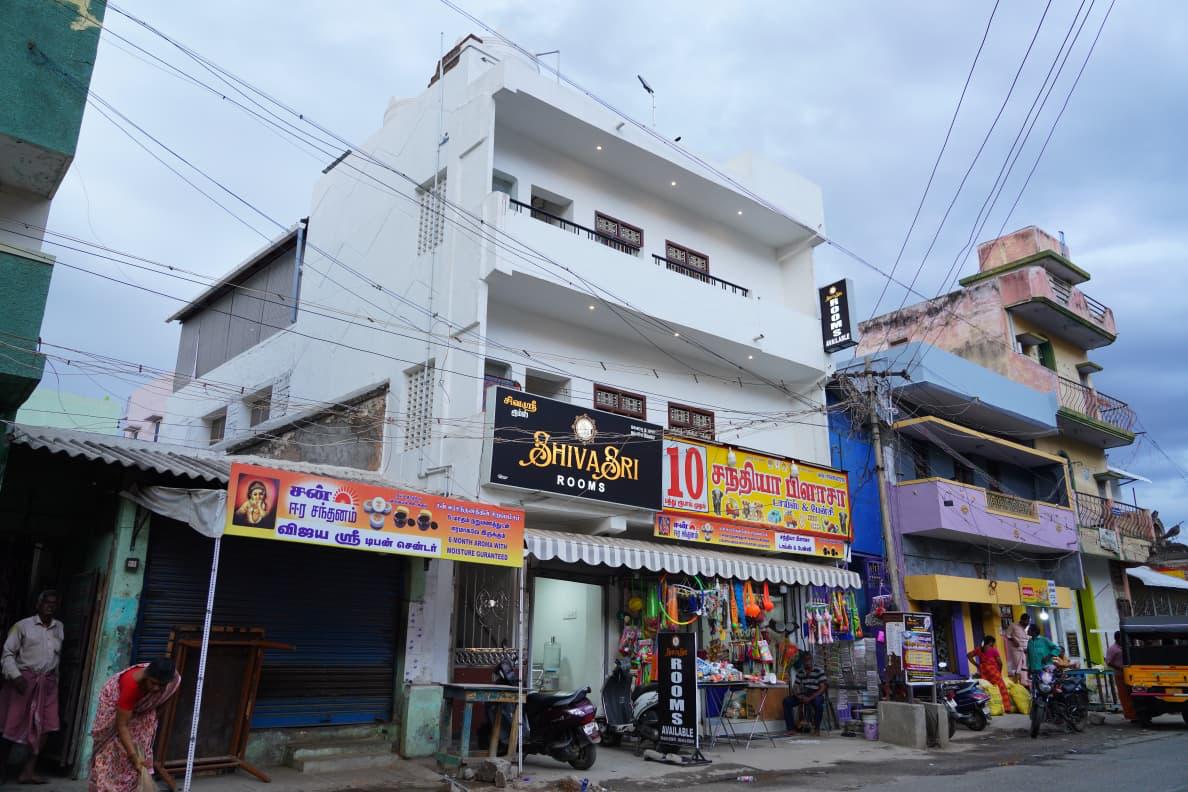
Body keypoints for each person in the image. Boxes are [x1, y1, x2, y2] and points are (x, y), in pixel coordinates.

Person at [89, 657, 180, 792]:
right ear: (147, 676)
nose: (156, 688)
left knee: (139, 751)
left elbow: (161, 705)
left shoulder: (172, 681)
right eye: (153, 683)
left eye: (161, 685)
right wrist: (134, 757)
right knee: (115, 753)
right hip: (118, 710)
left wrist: (149, 720)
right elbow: (121, 725)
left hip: (140, 712)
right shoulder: (131, 685)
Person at [0, 590, 63, 785]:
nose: (50, 606)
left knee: (47, 726)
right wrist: (16, 676)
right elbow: (7, 653)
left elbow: (56, 658)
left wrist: (55, 681)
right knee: (11, 724)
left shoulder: (59, 627)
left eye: (54, 603)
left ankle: (28, 771)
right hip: (23, 681)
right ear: (38, 605)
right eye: (46, 602)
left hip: (48, 683)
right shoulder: (22, 626)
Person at [783, 651, 828, 735]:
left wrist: (810, 698)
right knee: (787, 701)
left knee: (818, 704)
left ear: (812, 660)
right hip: (804, 693)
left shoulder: (819, 671)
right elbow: (795, 687)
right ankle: (791, 729)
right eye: (805, 660)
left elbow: (823, 688)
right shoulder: (800, 672)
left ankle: (817, 729)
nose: (807, 662)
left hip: (816, 693)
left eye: (809, 660)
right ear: (802, 661)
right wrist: (798, 696)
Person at [967, 635, 1013, 714]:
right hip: (993, 672)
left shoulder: (978, 649)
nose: (993, 644)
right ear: (991, 642)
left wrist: (977, 665)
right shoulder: (993, 650)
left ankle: (989, 708)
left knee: (989, 689)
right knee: (1002, 689)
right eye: (993, 643)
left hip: (983, 673)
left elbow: (968, 655)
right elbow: (1000, 663)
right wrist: (999, 672)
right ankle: (1006, 708)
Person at [1105, 631, 1136, 720]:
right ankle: (1130, 715)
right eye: (1122, 638)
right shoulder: (1112, 649)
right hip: (1120, 675)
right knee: (1124, 695)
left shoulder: (1125, 646)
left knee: (1132, 694)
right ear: (1117, 639)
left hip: (1130, 674)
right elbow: (1108, 662)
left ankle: (1135, 713)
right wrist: (1120, 668)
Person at [1004, 613, 1030, 683]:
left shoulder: (1028, 627)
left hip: (1026, 650)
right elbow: (1007, 635)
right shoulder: (1013, 625)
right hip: (1017, 650)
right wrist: (1013, 639)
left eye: (1028, 622)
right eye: (1025, 622)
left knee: (1026, 667)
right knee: (1018, 667)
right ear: (1022, 620)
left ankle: (1025, 683)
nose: (1027, 624)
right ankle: (1018, 683)